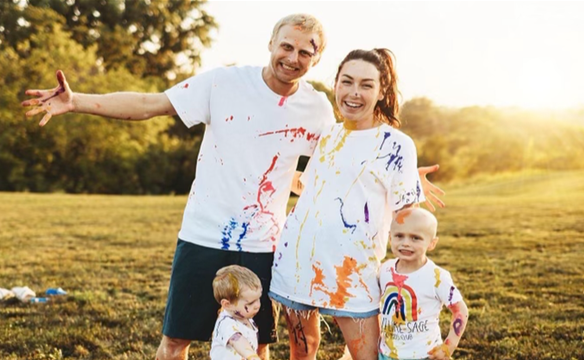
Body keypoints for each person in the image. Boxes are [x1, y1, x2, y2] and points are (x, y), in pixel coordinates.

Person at [22, 14, 443, 360]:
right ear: (271, 43)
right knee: (174, 344)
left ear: (316, 60)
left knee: (255, 347)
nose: (293, 58)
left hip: (264, 244)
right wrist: (77, 101)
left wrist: (402, 171)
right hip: (203, 234)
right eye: (287, 46)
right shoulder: (223, 83)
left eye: (305, 52)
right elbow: (149, 104)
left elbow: (343, 161)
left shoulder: (316, 108)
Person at [269, 48, 436, 360]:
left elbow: (406, 216)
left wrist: (413, 186)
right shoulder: (327, 136)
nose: (354, 93)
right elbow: (310, 186)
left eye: (366, 84)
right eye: (347, 82)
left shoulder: (396, 145)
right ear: (335, 84)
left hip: (355, 273)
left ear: (382, 90)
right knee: (302, 351)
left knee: (367, 356)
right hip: (297, 263)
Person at [379, 207, 468, 360]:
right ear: (390, 238)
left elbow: (460, 311)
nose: (405, 243)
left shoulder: (437, 277)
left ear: (432, 243)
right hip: (387, 354)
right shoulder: (385, 269)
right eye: (399, 236)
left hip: (424, 355)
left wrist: (448, 346)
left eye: (415, 238)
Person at [211, 265, 263, 360]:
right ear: (227, 304)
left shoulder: (245, 318)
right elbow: (238, 341)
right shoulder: (226, 324)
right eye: (250, 303)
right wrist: (252, 357)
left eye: (258, 298)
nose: (257, 305)